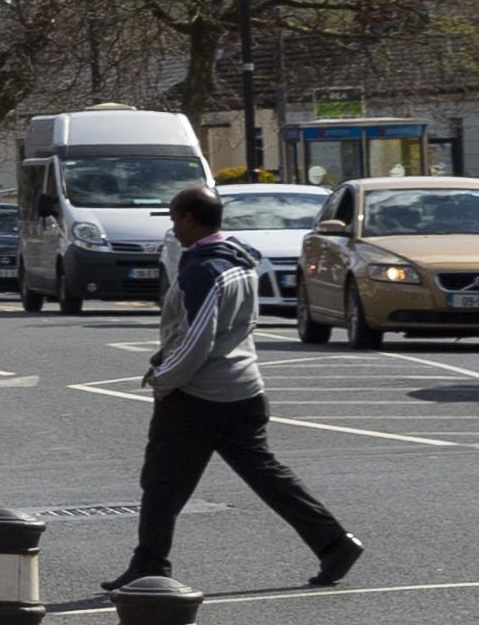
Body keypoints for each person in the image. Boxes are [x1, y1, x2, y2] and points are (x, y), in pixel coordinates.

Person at [124, 182, 362, 591]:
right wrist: (164, 360)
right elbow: (225, 329)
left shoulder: (204, 269)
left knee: (162, 482)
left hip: (201, 395)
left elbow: (199, 339)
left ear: (190, 219)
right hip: (244, 389)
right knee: (268, 477)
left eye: (175, 218)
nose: (173, 228)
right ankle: (334, 543)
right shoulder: (238, 258)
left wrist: (165, 379)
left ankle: (149, 566)